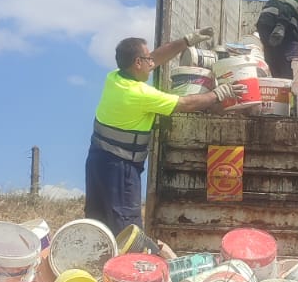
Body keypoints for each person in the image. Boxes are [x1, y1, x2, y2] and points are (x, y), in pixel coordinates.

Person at [85, 31, 241, 236]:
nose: (152, 61)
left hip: (98, 161)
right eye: (146, 58)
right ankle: (130, 264)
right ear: (137, 63)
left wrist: (186, 41)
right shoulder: (140, 94)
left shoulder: (114, 78)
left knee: (98, 222)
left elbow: (155, 57)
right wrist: (218, 94)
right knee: (126, 228)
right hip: (120, 169)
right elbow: (186, 103)